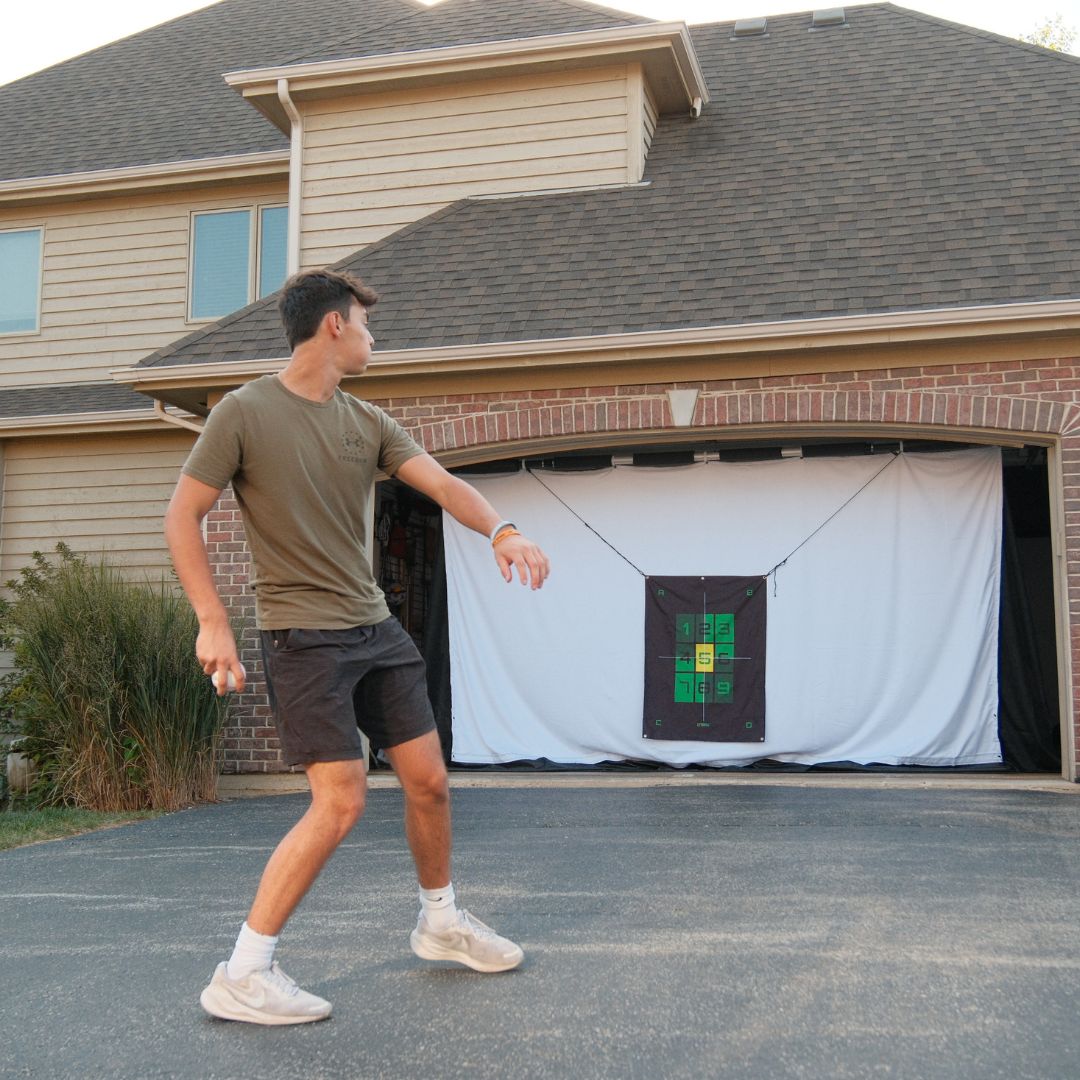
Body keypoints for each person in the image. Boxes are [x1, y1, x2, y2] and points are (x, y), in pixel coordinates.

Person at [165, 268, 550, 1025]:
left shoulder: (367, 422)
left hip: (374, 629)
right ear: (334, 327)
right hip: (303, 637)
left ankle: (440, 922)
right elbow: (183, 516)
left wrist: (502, 529)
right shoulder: (243, 413)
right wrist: (212, 619)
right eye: (368, 328)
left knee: (429, 781)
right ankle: (243, 972)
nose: (375, 341)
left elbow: (443, 486)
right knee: (339, 801)